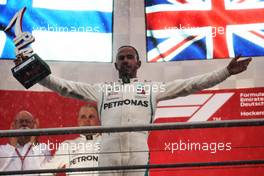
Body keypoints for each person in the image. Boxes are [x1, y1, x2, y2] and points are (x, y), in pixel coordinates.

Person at [37, 45, 251, 176]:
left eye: (129, 57)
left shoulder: (151, 88)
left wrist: (225, 72)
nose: (125, 61)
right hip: (108, 153)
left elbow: (190, 84)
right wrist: (37, 74)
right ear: (115, 65)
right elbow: (65, 87)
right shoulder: (101, 89)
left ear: (138, 63)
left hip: (138, 154)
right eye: (121, 58)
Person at [43, 104, 101, 176]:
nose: (87, 120)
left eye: (91, 117)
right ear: (78, 121)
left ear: (99, 120)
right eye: (83, 117)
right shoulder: (68, 145)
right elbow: (46, 171)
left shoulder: (108, 142)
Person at [0, 110, 51, 176]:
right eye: (21, 121)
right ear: (13, 126)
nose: (24, 124)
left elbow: (46, 171)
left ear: (34, 126)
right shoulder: (2, 149)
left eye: (27, 121)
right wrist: (12, 146)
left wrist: (34, 141)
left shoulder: (43, 148)